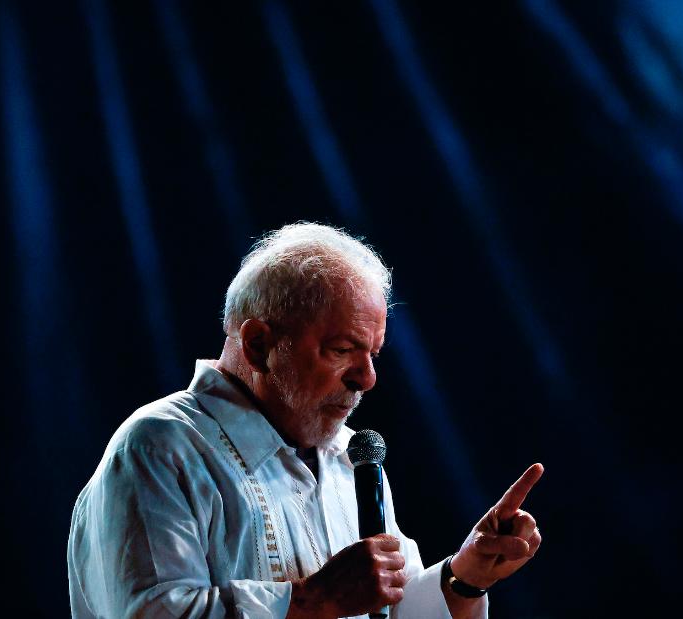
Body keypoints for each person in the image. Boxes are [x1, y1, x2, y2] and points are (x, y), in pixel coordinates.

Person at [68, 222, 543, 618]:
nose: (367, 378)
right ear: (258, 345)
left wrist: (466, 577)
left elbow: (387, 611)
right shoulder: (160, 447)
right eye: (342, 351)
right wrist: (316, 600)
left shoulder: (349, 456)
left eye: (373, 354)